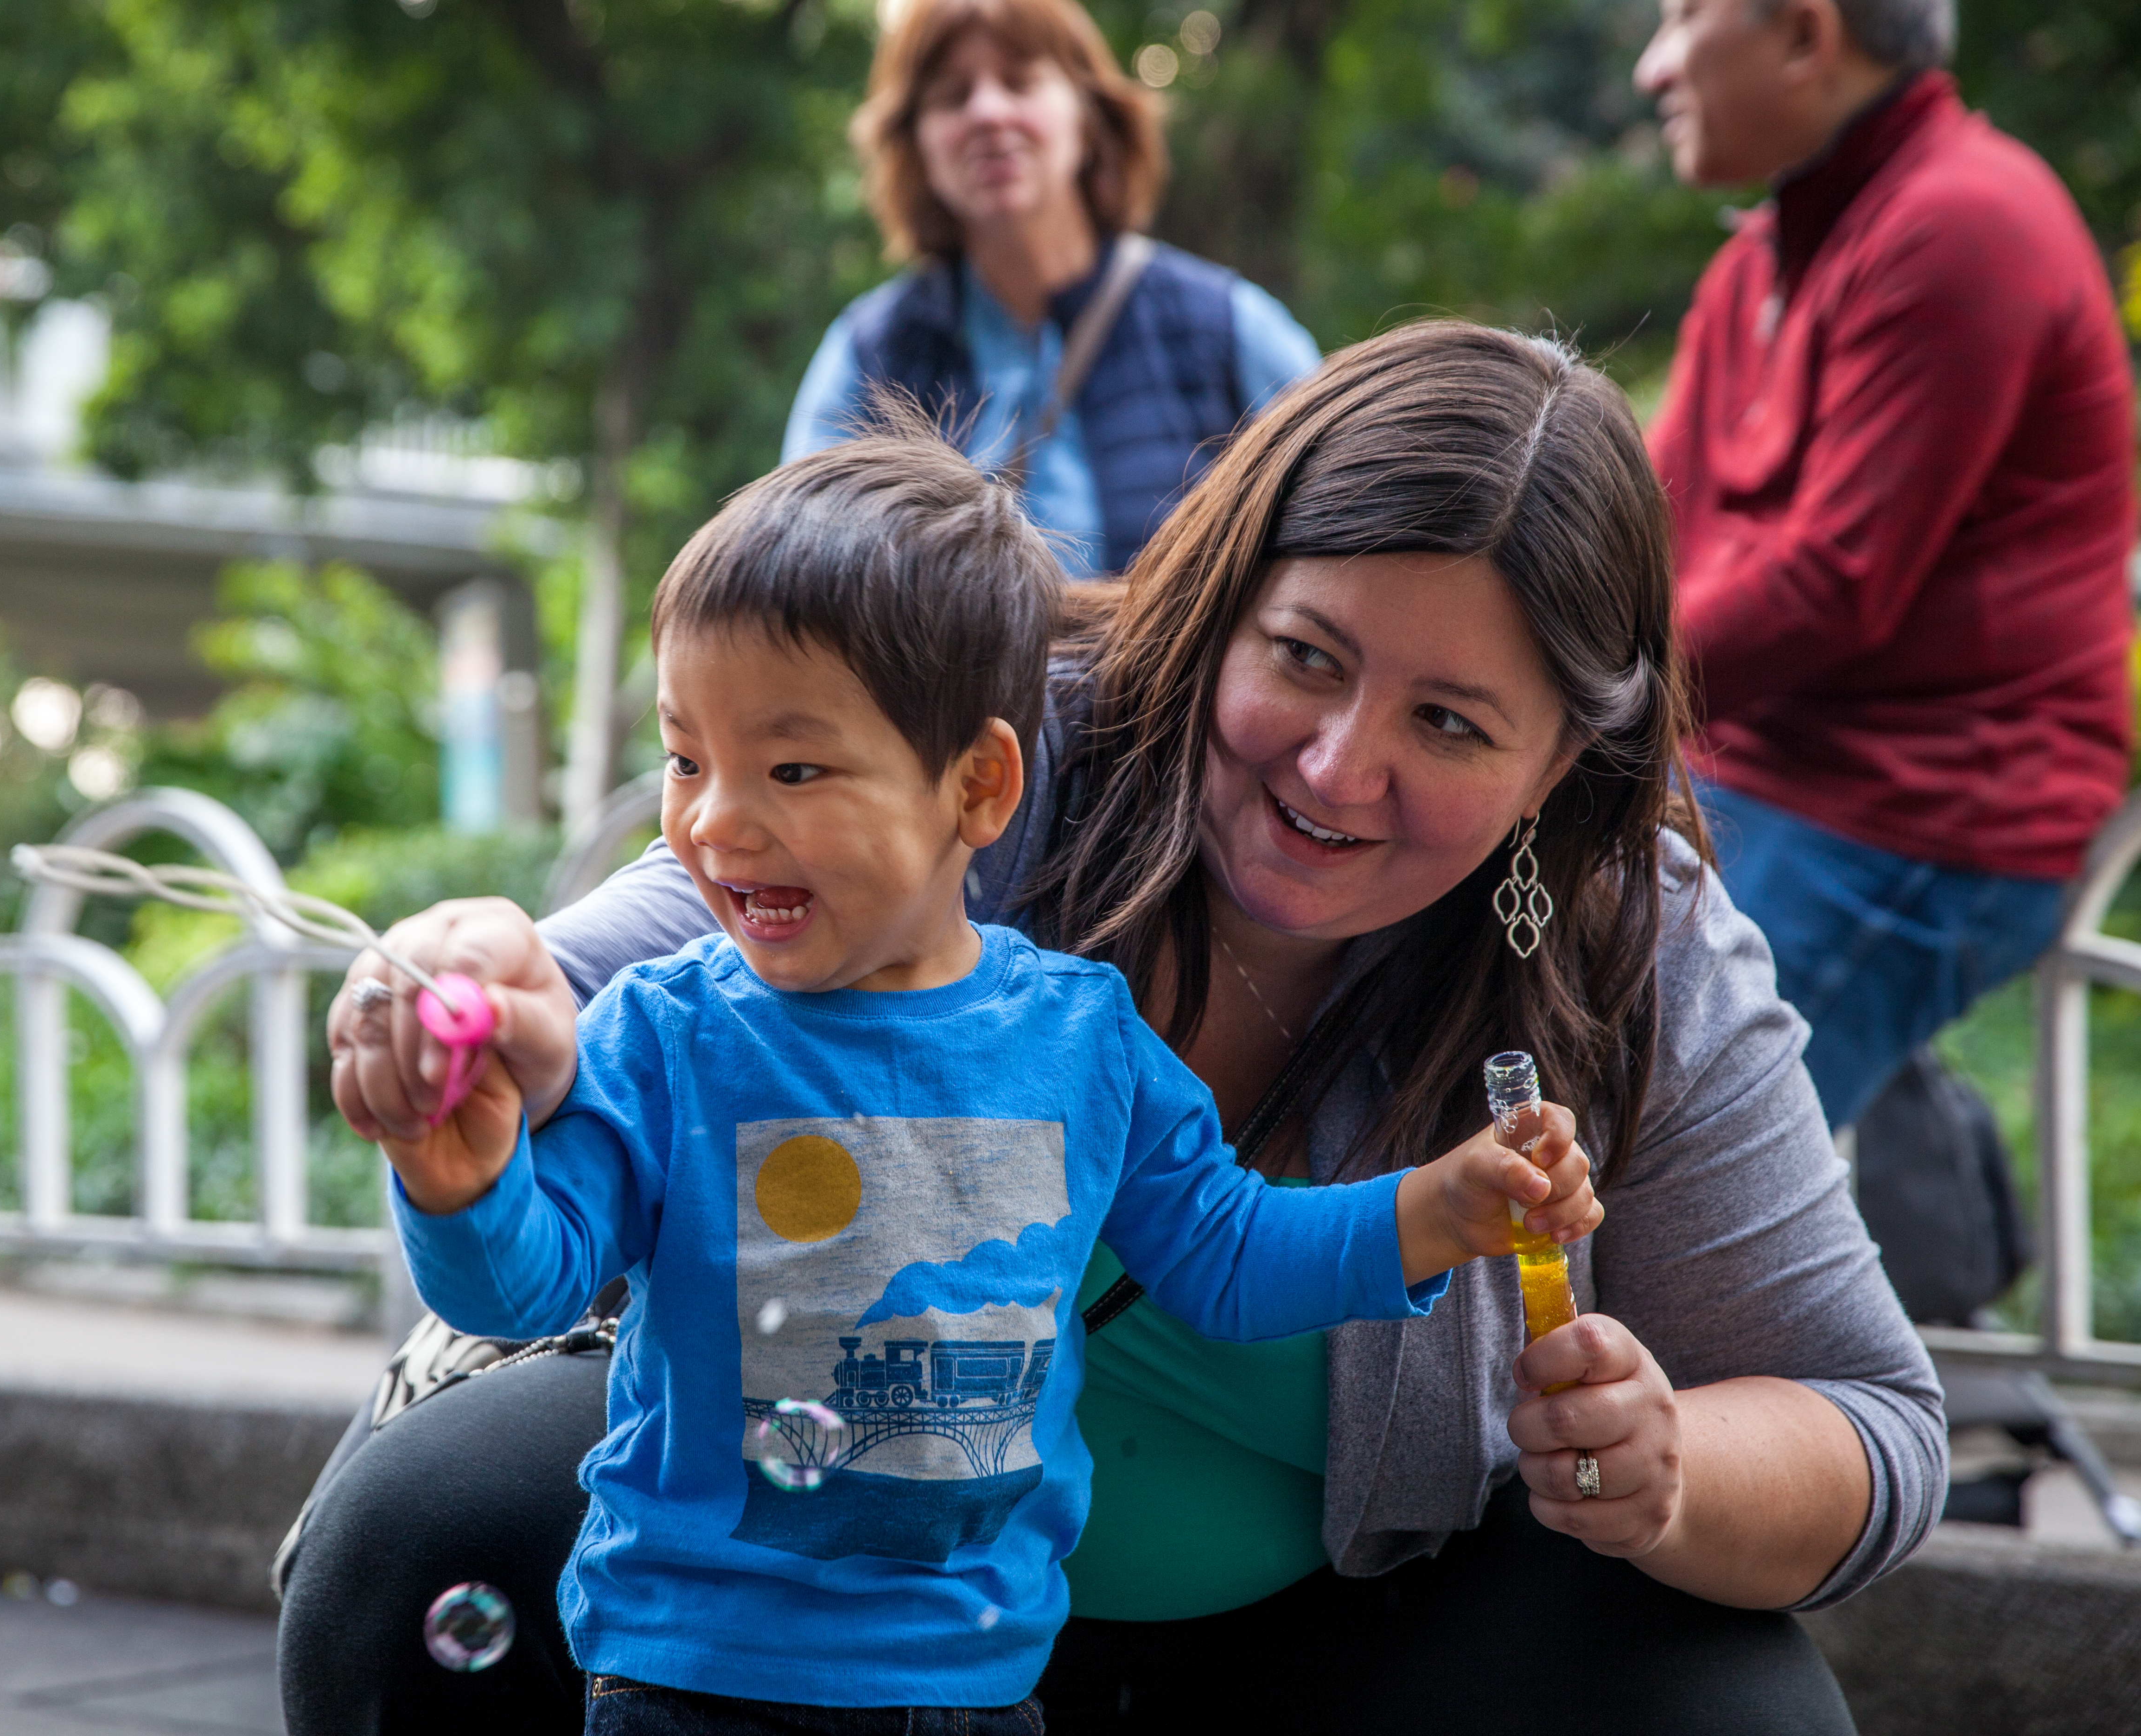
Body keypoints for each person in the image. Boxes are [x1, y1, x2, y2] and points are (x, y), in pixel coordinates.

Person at [290, 323, 1944, 1735]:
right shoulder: (1006, 732)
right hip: (803, 1613)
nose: (1333, 768)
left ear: (1559, 770)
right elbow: (619, 979)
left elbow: (1863, 1419)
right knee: (433, 1525)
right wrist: (472, 1002)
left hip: (1321, 1659)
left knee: (1720, 1704)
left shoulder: (1633, 947)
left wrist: (1665, 1462)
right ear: (1224, 598)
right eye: (1303, 658)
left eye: (1445, 722)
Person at [363, 426, 1600, 1730]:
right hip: (690, 1674)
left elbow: (1232, 1257)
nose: (716, 822)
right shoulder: (665, 1034)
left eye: (794, 769)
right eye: (686, 759)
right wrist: (460, 1182)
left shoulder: (1084, 1039)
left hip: (977, 1681)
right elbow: (524, 1282)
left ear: (979, 784)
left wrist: (1440, 1211)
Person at [1638, 0, 2138, 1129]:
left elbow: (1831, 584)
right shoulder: (1765, 255)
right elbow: (1646, 531)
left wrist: (1571, 700)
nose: (1649, 68)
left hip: (1914, 810)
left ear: (1807, 38)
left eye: (1679, 18)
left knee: (1649, 1148)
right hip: (1753, 770)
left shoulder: (1966, 222)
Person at [784, 0, 1319, 576]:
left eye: (1020, 82)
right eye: (951, 96)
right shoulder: (870, 355)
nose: (987, 112)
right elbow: (804, 579)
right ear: (917, 145)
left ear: (1088, 117)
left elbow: (1339, 543)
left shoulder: (1225, 326)